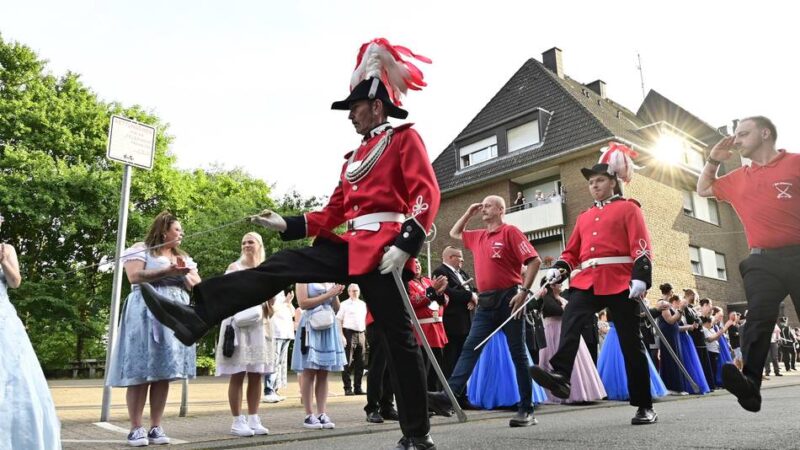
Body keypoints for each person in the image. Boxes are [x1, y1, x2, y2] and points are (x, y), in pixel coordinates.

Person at [139, 38, 439, 449]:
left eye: (355, 106)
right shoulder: (353, 157)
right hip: (351, 245)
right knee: (282, 265)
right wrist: (288, 223)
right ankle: (198, 314)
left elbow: (427, 192)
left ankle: (416, 433)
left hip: (385, 250)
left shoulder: (404, 139)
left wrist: (408, 241)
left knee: (399, 338)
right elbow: (333, 212)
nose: (350, 114)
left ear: (377, 106)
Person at [530, 142, 659, 425]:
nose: (594, 186)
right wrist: (559, 270)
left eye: (599, 180)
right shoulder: (584, 217)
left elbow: (641, 245)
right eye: (591, 182)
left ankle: (644, 405)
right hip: (587, 281)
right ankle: (561, 375)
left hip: (621, 282)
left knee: (630, 343)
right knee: (572, 319)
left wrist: (641, 276)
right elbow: (571, 253)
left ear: (613, 181)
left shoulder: (629, 208)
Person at [697, 116, 800, 413]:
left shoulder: (794, 163)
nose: (737, 139)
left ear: (765, 133)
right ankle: (750, 386)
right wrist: (712, 160)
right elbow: (703, 189)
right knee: (757, 316)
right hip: (762, 259)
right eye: (736, 134)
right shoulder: (739, 178)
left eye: (744, 133)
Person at [428, 195, 541, 428]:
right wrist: (469, 213)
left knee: (517, 353)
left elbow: (534, 261)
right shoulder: (478, 235)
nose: (484, 209)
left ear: (501, 209)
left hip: (509, 298)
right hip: (486, 302)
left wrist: (524, 292)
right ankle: (448, 398)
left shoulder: (510, 231)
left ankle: (526, 408)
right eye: (483, 206)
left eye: (488, 205)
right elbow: (455, 234)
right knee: (471, 347)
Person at [107, 212, 199, 446]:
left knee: (162, 373)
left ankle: (156, 426)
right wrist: (166, 271)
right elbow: (134, 276)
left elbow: (198, 284)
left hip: (173, 313)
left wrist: (186, 275)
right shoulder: (142, 248)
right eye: (177, 230)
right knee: (140, 370)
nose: (182, 234)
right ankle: (136, 427)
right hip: (145, 310)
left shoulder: (183, 257)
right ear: (164, 230)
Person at [0, 212, 62, 449]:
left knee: (14, 376)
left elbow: (15, 282)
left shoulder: (8, 249)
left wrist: (4, 261)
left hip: (4, 320)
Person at [215, 232, 271, 437]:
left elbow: (271, 305)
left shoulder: (266, 270)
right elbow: (224, 297)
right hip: (238, 325)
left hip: (258, 325)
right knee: (238, 374)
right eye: (244, 242)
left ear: (259, 245)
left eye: (251, 242)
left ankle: (254, 418)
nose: (246, 245)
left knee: (257, 373)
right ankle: (237, 420)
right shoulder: (234, 268)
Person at [537, 279, 606, 404]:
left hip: (565, 330)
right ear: (552, 285)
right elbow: (555, 311)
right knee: (551, 359)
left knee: (578, 363)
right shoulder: (546, 298)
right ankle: (555, 393)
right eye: (559, 283)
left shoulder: (561, 297)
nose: (561, 285)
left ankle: (581, 392)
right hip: (553, 331)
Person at [292, 283, 347, 429]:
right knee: (309, 371)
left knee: (324, 372)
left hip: (328, 324)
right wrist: (328, 294)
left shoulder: (328, 278)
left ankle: (322, 413)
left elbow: (336, 308)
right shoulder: (303, 278)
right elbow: (303, 303)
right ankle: (309, 415)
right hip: (311, 324)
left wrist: (335, 294)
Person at [597, 311, 668, 402]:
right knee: (629, 360)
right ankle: (636, 390)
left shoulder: (610, 309)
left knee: (613, 362)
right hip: (624, 334)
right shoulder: (624, 307)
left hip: (614, 336)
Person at [433, 246, 477, 379]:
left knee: (465, 359)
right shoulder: (440, 271)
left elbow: (474, 289)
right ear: (450, 257)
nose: (462, 260)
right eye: (460, 257)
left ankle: (463, 392)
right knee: (452, 359)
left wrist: (474, 298)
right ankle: (451, 392)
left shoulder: (462, 273)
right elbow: (447, 292)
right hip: (453, 324)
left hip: (468, 322)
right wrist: (469, 296)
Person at [407, 260, 449, 392]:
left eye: (418, 262)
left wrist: (440, 293)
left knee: (439, 370)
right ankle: (427, 403)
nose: (417, 265)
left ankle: (438, 399)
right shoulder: (407, 283)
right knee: (425, 369)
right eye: (413, 263)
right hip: (422, 331)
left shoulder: (429, 281)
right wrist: (432, 290)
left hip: (438, 330)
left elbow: (445, 301)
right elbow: (413, 301)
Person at [363, 308, 400, 424]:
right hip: (378, 321)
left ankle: (387, 406)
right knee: (377, 367)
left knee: (390, 368)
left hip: (394, 322)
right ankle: (372, 408)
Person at [263, 290, 295, 403]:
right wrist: (285, 302)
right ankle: (268, 390)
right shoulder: (273, 292)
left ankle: (275, 389)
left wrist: (289, 302)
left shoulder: (283, 295)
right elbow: (270, 311)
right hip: (275, 333)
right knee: (273, 362)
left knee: (281, 363)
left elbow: (293, 313)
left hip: (286, 333)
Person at [337, 284, 368, 396]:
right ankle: (347, 388)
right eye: (352, 291)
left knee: (361, 362)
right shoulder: (344, 304)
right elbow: (338, 320)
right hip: (348, 332)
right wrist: (342, 336)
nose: (355, 293)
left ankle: (358, 388)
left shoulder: (363, 304)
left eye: (356, 290)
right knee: (347, 362)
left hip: (361, 333)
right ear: (349, 292)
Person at [682, 289, 714, 390]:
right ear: (691, 295)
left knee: (705, 364)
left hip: (700, 340)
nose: (698, 299)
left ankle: (708, 385)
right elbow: (687, 322)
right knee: (699, 364)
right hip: (694, 340)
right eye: (696, 296)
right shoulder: (685, 308)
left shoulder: (692, 309)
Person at [657, 295, 687, 395]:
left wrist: (680, 310)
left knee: (676, 358)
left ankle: (676, 387)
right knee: (671, 359)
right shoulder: (663, 304)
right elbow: (670, 320)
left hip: (673, 335)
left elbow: (677, 320)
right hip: (668, 335)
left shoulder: (668, 305)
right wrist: (681, 308)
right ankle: (672, 387)